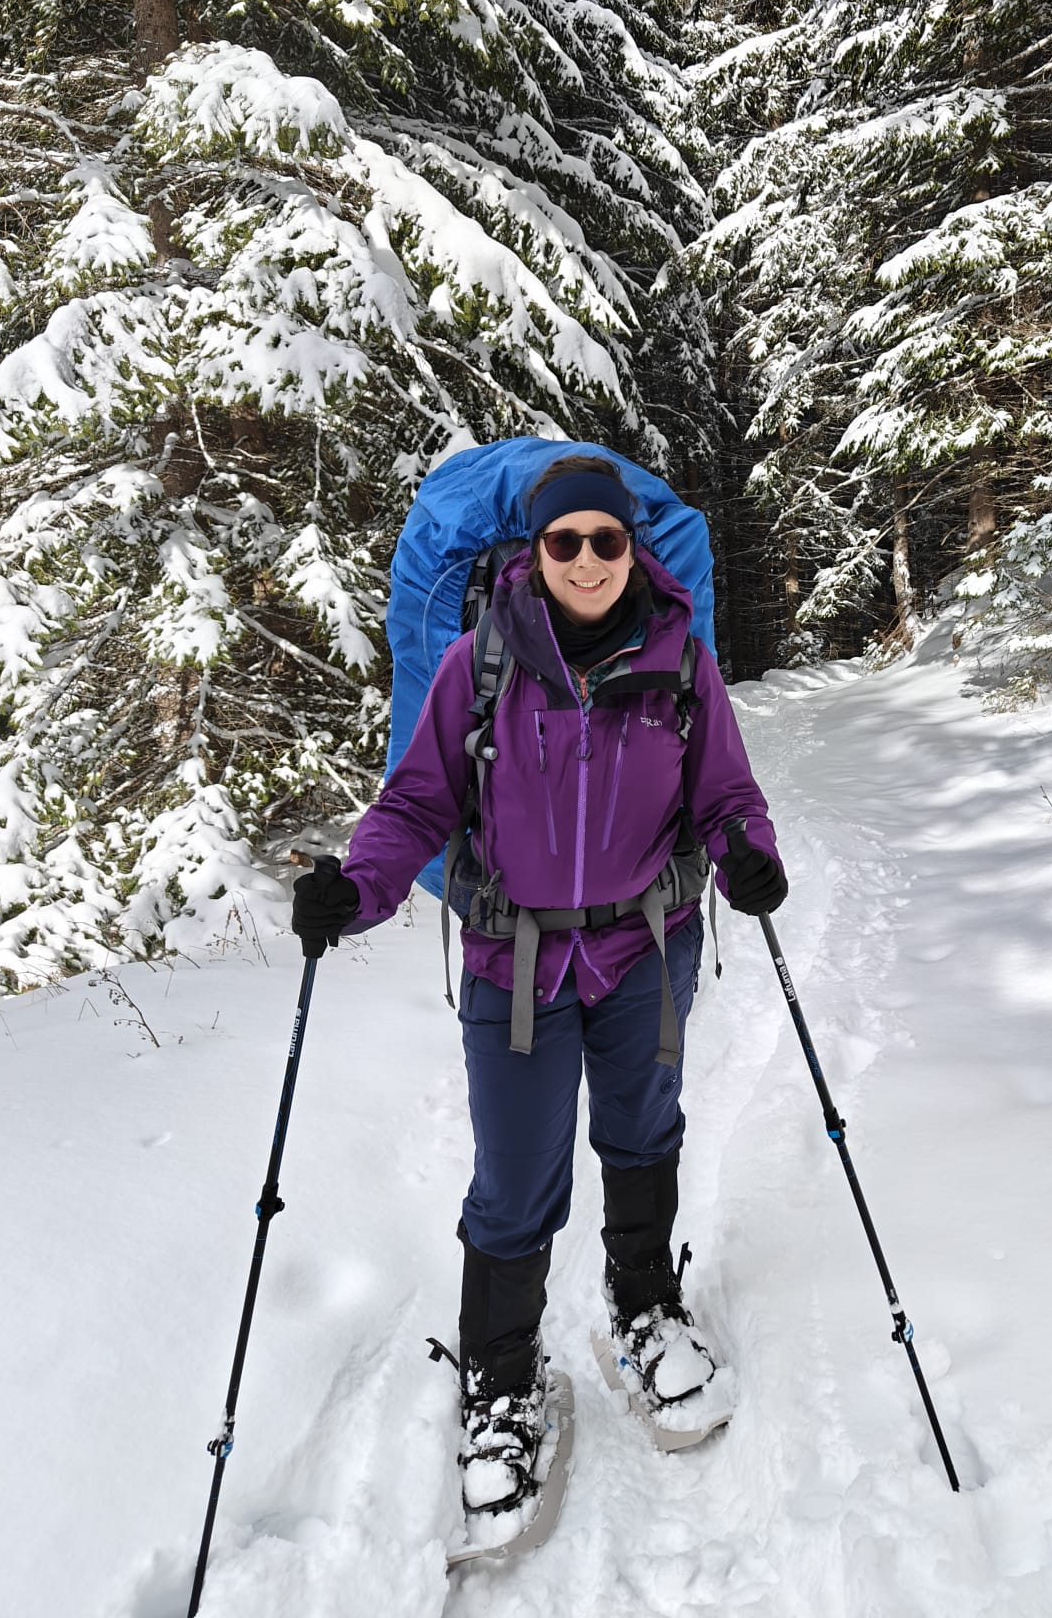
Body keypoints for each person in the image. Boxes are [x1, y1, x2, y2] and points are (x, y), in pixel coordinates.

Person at [292, 453, 787, 1522]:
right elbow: (417, 802)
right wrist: (357, 887)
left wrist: (748, 852)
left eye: (607, 539)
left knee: (642, 1128)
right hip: (512, 959)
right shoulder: (480, 663)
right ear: (537, 548)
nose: (588, 559)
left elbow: (725, 794)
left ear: (632, 547)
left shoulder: (681, 659)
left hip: (646, 946)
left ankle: (645, 1307)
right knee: (516, 1174)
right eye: (566, 540)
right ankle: (504, 1375)